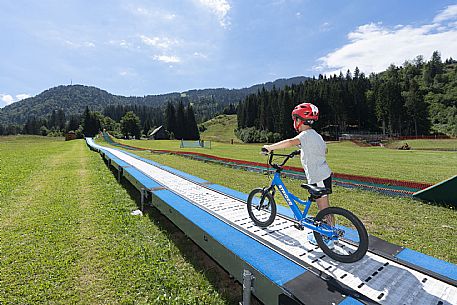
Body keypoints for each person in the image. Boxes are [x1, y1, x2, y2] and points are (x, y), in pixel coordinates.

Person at [262, 102, 333, 247]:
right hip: (324, 174)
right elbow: (323, 151)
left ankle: (329, 238)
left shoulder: (305, 135)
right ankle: (329, 232)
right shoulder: (316, 136)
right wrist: (303, 151)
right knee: (325, 207)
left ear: (299, 120)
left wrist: (269, 147)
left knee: (324, 209)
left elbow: (289, 142)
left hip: (317, 176)